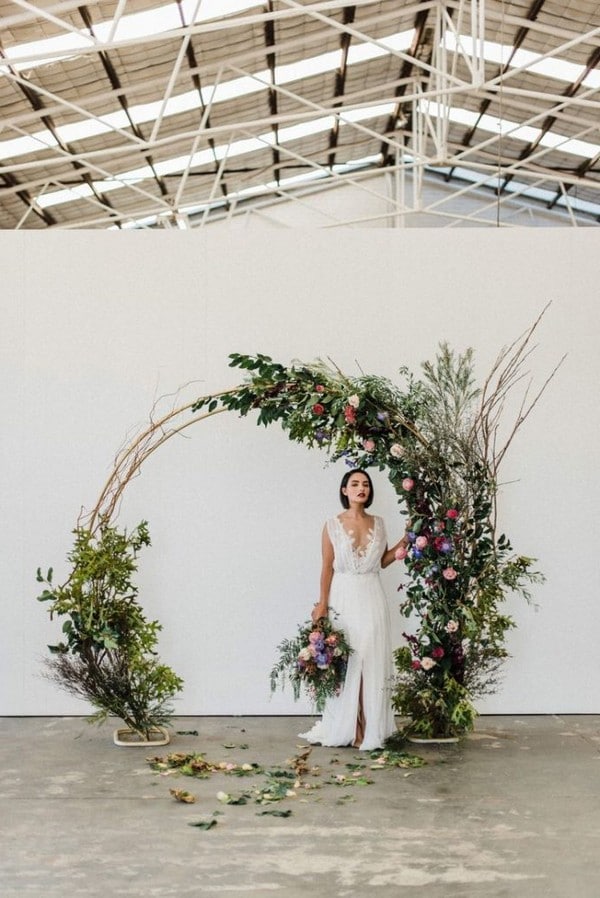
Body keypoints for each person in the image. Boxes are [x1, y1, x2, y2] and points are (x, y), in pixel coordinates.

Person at [299, 469, 408, 751]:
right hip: (344, 596)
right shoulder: (332, 525)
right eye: (355, 484)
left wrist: (405, 542)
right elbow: (326, 567)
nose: (361, 488)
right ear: (345, 490)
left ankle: (371, 725)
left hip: (372, 594)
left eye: (366, 484)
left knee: (371, 656)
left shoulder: (380, 523)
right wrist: (322, 604)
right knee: (349, 658)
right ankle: (352, 725)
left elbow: (382, 562)